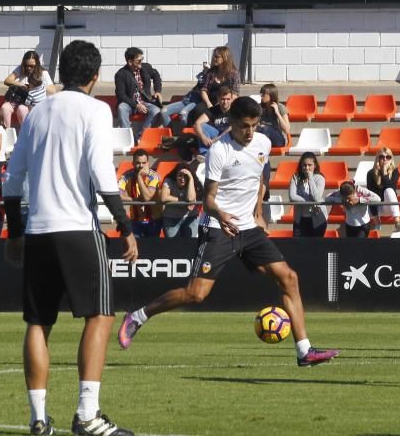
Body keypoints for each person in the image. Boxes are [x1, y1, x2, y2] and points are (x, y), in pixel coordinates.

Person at [117, 96, 339, 368]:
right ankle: (138, 316)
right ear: (232, 122)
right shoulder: (219, 151)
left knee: (289, 278)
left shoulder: (263, 142)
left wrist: (258, 213)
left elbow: (257, 179)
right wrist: (220, 215)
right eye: (245, 125)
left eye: (255, 125)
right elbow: (208, 200)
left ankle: (304, 351)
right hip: (218, 227)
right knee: (196, 294)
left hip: (248, 227)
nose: (250, 132)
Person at [2, 39, 139, 436]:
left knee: (38, 322)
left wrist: (14, 232)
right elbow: (101, 172)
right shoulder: (97, 109)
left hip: (38, 230)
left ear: (60, 72)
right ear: (95, 76)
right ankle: (87, 415)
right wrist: (125, 226)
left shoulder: (37, 113)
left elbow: (12, 179)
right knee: (100, 316)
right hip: (78, 229)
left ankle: (38, 419)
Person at [114, 47, 163, 139]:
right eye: (138, 61)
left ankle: (140, 137)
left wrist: (157, 91)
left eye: (142, 60)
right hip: (130, 103)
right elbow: (121, 95)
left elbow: (156, 76)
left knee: (156, 110)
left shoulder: (146, 67)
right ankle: (127, 138)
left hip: (145, 101)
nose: (141, 63)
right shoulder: (120, 74)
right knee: (121, 108)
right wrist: (136, 105)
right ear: (130, 62)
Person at [2, 51, 55, 129]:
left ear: (37, 64)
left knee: (22, 109)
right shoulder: (21, 69)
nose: (28, 68)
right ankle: (7, 133)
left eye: (32, 66)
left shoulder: (43, 73)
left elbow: (53, 90)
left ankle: (26, 134)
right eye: (26, 65)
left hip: (32, 103)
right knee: (5, 108)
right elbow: (7, 80)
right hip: (19, 99)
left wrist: (38, 86)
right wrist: (21, 85)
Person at [118, 149, 161, 239]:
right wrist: (135, 200)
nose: (141, 166)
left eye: (144, 163)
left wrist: (139, 177)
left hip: (153, 220)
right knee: (138, 250)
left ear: (147, 163)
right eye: (138, 163)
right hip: (135, 221)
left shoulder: (153, 176)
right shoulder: (126, 176)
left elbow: (147, 198)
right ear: (133, 163)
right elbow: (117, 196)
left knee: (152, 250)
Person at [288, 152, 327, 238]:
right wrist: (309, 203)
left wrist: (310, 177)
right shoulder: (295, 177)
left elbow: (316, 197)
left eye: (310, 165)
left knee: (315, 247)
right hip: (300, 219)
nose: (307, 168)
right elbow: (292, 196)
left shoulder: (320, 178)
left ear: (315, 165)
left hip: (317, 220)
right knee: (299, 247)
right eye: (304, 165)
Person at [157, 165, 201, 239]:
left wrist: (190, 178)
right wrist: (182, 200)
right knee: (174, 247)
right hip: (171, 218)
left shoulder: (193, 182)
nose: (182, 179)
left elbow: (190, 198)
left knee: (190, 245)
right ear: (175, 176)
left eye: (185, 176)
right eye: (180, 175)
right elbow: (163, 198)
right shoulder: (169, 180)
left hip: (190, 218)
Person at [366, 147, 400, 233]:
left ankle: (397, 221)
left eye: (388, 157)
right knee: (367, 196)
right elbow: (371, 195)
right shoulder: (371, 174)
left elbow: (391, 189)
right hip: (376, 207)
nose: (385, 159)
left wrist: (384, 172)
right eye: (382, 157)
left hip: (389, 206)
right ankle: (376, 222)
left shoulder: (395, 172)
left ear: (391, 159)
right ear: (378, 159)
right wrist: (376, 217)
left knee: (389, 191)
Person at [191, 86, 234, 154]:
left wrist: (218, 138)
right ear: (218, 99)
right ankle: (205, 155)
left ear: (232, 99)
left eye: (228, 99)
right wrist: (203, 138)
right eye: (222, 99)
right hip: (216, 134)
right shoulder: (213, 110)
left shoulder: (235, 110)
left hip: (230, 137)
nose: (225, 102)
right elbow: (197, 123)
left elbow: (232, 127)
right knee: (202, 126)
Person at [258, 84, 291, 148]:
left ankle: (262, 151)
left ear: (271, 95)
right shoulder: (259, 107)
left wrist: (277, 113)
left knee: (265, 129)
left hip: (278, 140)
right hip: (263, 135)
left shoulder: (280, 107)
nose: (261, 96)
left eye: (264, 94)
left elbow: (287, 130)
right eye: (261, 93)